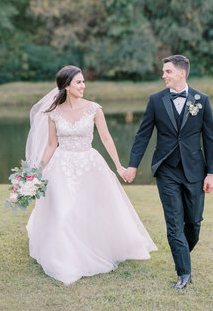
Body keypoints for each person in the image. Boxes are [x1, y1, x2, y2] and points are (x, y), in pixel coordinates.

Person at [25, 65, 157, 285]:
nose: (83, 86)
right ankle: (66, 258)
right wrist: (36, 171)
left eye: (83, 81)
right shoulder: (54, 113)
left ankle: (92, 247)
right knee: (64, 211)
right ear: (67, 86)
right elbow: (50, 144)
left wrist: (119, 166)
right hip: (62, 165)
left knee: (89, 210)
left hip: (89, 164)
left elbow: (106, 138)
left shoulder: (94, 109)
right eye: (79, 82)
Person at [123, 55, 213, 290]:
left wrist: (211, 173)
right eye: (163, 71)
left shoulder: (201, 100)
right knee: (174, 223)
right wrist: (133, 165)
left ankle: (182, 252)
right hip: (166, 169)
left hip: (195, 170)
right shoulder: (156, 100)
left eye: (167, 71)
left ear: (181, 73)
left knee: (194, 222)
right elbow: (143, 134)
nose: (163, 75)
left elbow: (211, 138)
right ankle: (184, 273)